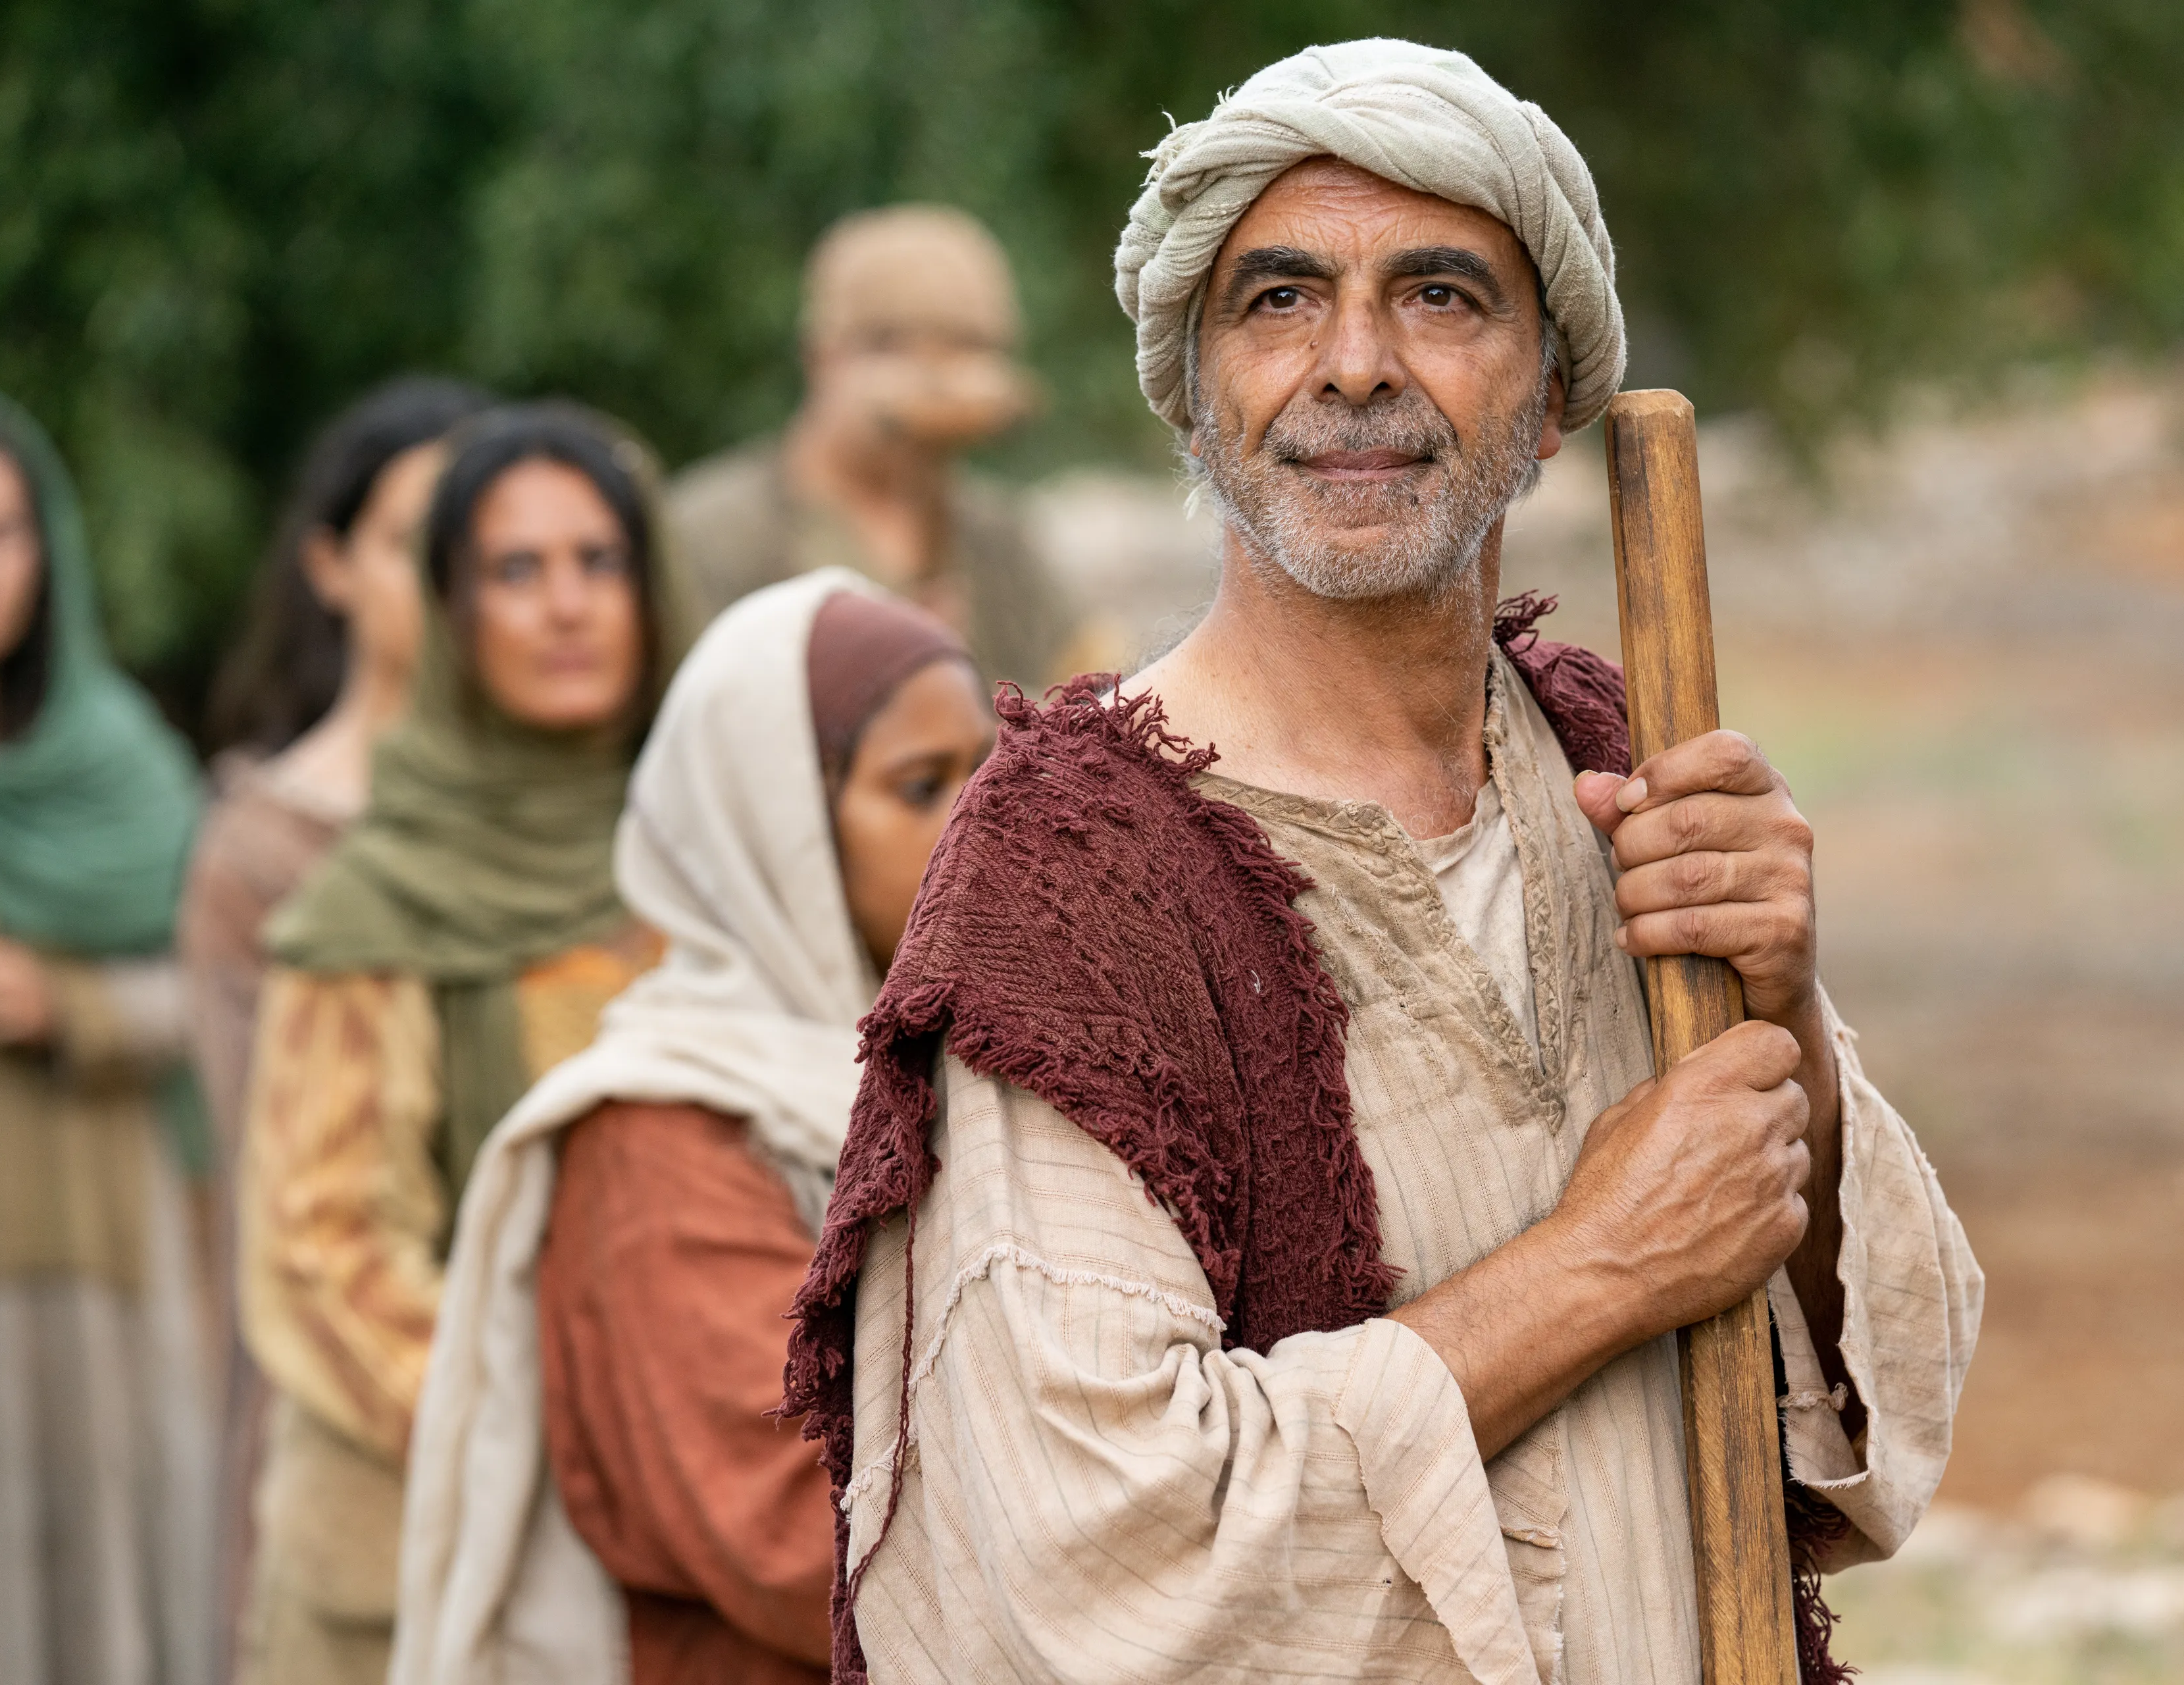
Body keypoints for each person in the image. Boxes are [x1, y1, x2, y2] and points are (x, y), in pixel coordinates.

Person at [786, 39, 1984, 1685]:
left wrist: (1780, 1006)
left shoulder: (1609, 763)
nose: (1353, 365)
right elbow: (1077, 1556)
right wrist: (1596, 1265)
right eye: (1278, 300)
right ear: (1192, 393)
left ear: (1551, 395)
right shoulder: (1071, 878)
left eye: (1438, 295)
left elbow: (1868, 1392)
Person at [388, 569, 996, 1685]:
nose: (976, 832)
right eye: (921, 788)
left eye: (987, 781)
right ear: (779, 833)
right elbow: (791, 1534)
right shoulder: (660, 1138)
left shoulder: (964, 1068)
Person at [237, 402, 682, 1685]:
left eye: (600, 562)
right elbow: (323, 1249)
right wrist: (571, 1433)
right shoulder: (377, 902)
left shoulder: (708, 863)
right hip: (411, 1557)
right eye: (514, 570)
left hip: (671, 1550)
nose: (566, 606)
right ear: (448, 609)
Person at [180, 374, 490, 1682]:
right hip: (360, 1386)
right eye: (409, 538)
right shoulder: (267, 848)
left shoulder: (593, 809)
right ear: (330, 564)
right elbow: (293, 1198)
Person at [0, 385, 213, 1685]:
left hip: (111, 1243)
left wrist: (66, 1002)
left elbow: (213, 997)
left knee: (118, 1576)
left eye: (6, 530)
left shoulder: (128, 767)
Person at [665, 204, 1085, 689]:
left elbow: (1085, 694)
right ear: (821, 357)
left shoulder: (997, 538)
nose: (932, 382)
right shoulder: (718, 532)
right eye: (893, 345)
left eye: (964, 348)